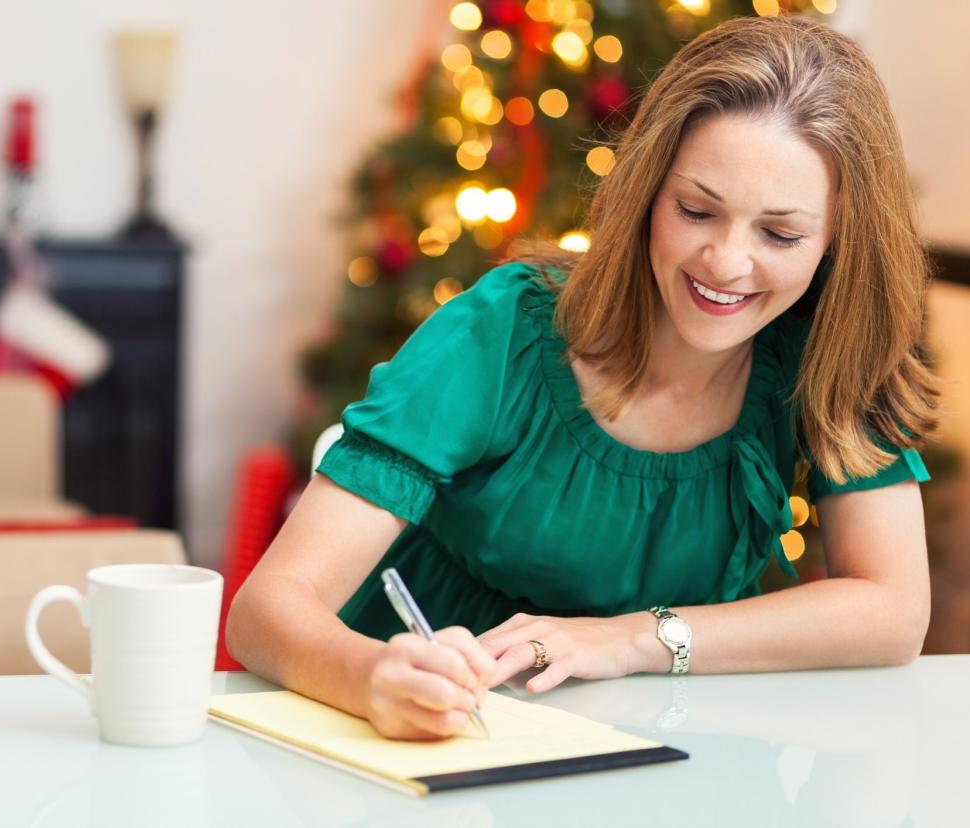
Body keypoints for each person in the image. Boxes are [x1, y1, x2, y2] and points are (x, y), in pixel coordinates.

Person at [226, 14, 939, 741]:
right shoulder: (499, 335)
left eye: (781, 234)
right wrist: (369, 677)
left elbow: (894, 611)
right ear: (648, 190)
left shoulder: (829, 348)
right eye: (696, 209)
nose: (726, 263)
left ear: (837, 237)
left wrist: (634, 639)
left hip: (660, 748)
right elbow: (265, 611)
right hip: (430, 744)